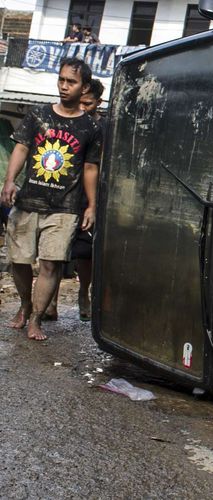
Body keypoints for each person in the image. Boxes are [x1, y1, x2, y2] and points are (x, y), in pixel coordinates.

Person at [1, 58, 101, 341]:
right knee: (19, 261)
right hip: (28, 201)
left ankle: (36, 319)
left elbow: (91, 168)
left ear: (84, 88)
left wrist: (92, 205)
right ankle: (24, 303)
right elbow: (21, 148)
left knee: (50, 263)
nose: (64, 86)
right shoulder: (38, 115)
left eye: (71, 82)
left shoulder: (90, 128)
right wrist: (9, 181)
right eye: (61, 80)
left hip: (65, 208)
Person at [44, 78, 105, 322]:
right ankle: (50, 301)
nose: (83, 107)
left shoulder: (104, 128)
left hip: (89, 197)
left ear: (98, 103)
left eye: (88, 104)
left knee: (84, 252)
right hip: (63, 193)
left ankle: (83, 292)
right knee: (55, 250)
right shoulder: (65, 120)